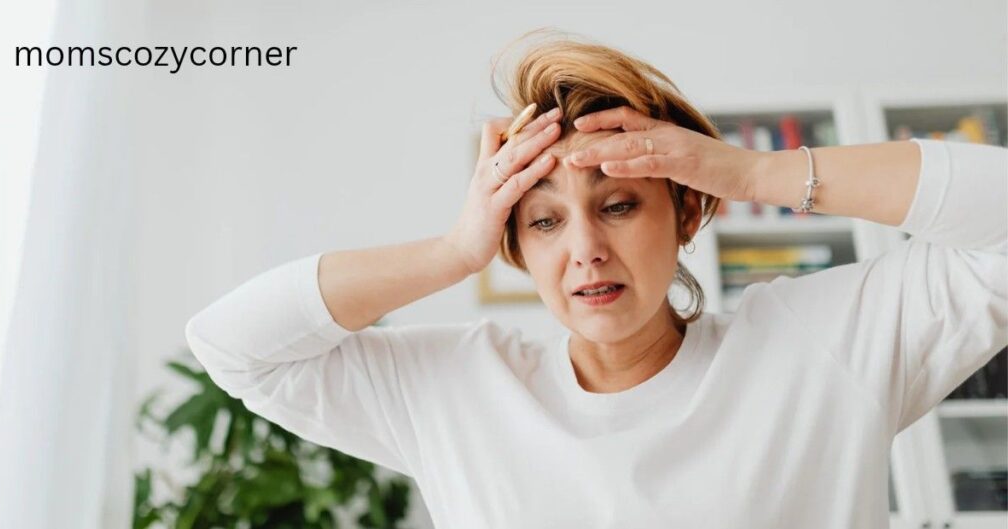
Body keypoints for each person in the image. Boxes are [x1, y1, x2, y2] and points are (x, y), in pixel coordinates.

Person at [184, 30, 1007, 528]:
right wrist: (455, 251)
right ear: (514, 244)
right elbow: (232, 346)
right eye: (544, 221)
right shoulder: (456, 388)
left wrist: (753, 172)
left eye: (617, 205)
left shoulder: (821, 345)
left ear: (687, 211)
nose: (586, 249)